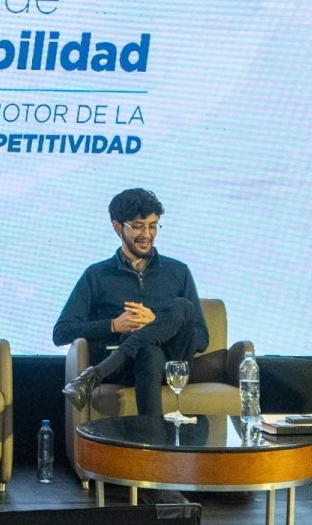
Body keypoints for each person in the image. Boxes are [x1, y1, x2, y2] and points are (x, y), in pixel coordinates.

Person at [54, 188, 207, 505]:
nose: (147, 234)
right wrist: (113, 325)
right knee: (148, 353)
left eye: (153, 226)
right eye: (138, 226)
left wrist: (157, 322)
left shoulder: (178, 271)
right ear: (117, 227)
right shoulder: (97, 275)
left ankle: (94, 375)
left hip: (173, 365)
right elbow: (62, 331)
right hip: (127, 368)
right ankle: (158, 480)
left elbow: (201, 337)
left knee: (181, 307)